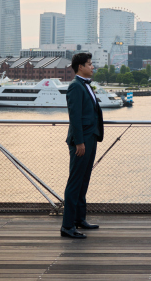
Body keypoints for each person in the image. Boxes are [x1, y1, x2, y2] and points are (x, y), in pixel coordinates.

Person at [60, 52, 104, 239]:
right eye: (90, 64)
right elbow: (74, 117)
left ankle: (79, 219)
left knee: (84, 180)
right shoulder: (76, 87)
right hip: (82, 141)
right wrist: (79, 142)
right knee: (75, 182)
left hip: (90, 138)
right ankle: (67, 226)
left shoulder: (86, 86)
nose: (92, 67)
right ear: (80, 67)